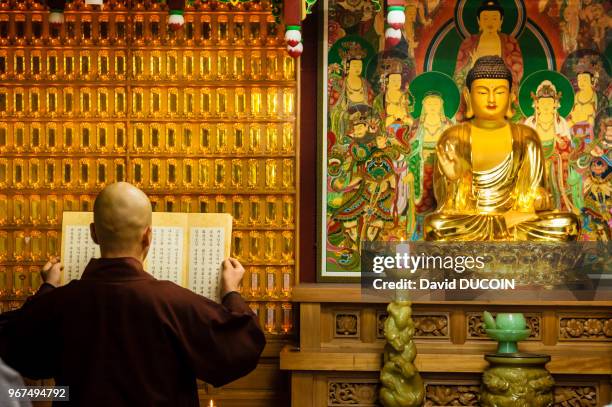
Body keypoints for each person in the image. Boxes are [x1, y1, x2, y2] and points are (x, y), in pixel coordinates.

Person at [0, 182, 265, 407]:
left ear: (93, 233)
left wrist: (47, 289)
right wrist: (231, 292)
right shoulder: (175, 303)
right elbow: (243, 346)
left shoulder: (59, 303)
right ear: (148, 236)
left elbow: (15, 346)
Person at [424, 56, 580, 241]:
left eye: (499, 92)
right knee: (436, 227)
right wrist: (457, 180)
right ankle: (503, 233)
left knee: (567, 225)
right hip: (475, 222)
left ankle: (499, 233)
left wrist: (538, 198)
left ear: (511, 96)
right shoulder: (453, 139)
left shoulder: (526, 138)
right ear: (468, 96)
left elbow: (536, 194)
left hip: (517, 219)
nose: (491, 99)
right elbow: (448, 207)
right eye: (482, 92)